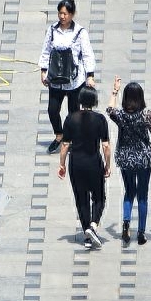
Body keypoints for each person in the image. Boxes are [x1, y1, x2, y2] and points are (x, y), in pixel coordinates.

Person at [58, 82, 111, 245]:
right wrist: (107, 165)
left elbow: (65, 145)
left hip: (76, 164)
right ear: (94, 101)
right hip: (94, 162)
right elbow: (106, 145)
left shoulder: (70, 118)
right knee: (99, 197)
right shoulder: (100, 119)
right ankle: (93, 226)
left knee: (81, 199)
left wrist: (62, 165)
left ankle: (87, 234)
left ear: (80, 100)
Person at [39, 0, 96, 140]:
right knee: (52, 110)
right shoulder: (52, 30)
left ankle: (72, 139)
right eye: (60, 13)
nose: (62, 17)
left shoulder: (80, 32)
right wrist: (43, 71)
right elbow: (46, 50)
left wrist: (90, 75)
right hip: (55, 78)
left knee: (74, 113)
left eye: (65, 14)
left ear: (72, 14)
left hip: (74, 80)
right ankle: (59, 135)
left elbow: (87, 53)